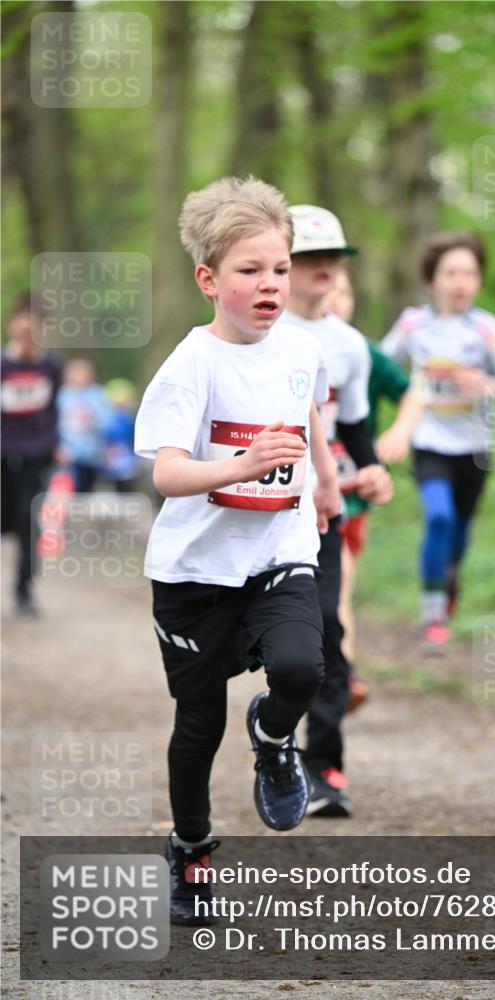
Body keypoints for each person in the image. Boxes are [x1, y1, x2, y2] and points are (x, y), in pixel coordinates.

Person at [134, 177, 340, 925]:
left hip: (279, 549)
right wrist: (240, 466)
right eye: (250, 271)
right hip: (193, 572)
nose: (269, 285)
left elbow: (310, 414)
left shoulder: (303, 347)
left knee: (299, 669)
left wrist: (326, 481)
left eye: (279, 269)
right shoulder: (191, 365)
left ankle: (275, 733)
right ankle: (190, 851)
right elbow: (166, 472)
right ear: (209, 279)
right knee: (197, 725)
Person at [278, 205, 393, 818]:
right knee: (256, 639)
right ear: (283, 265)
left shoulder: (351, 347)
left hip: (321, 512)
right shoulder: (257, 333)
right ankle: (273, 735)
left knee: (326, 626)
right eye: (309, 258)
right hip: (253, 510)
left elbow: (355, 428)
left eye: (333, 258)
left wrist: (374, 471)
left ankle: (322, 765)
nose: (324, 269)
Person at [379, 231, 495, 650]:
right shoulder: (414, 324)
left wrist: (488, 384)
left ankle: (447, 578)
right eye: (451, 273)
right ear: (433, 280)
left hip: (476, 447)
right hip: (429, 442)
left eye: (469, 273)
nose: (461, 282)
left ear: (479, 280)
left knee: (460, 530)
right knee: (440, 517)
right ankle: (433, 617)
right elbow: (375, 364)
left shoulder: (486, 328)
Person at [321, 269, 410, 702]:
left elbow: (415, 391)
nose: (337, 299)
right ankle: (334, 679)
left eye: (346, 291)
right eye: (329, 290)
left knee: (339, 589)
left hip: (352, 495)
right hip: (296, 495)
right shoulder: (283, 348)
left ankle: (343, 678)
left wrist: (399, 433)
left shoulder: (362, 352)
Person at [1, 292, 62, 616]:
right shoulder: (2, 364)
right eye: (22, 330)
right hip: (2, 455)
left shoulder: (51, 365)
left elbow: (55, 408)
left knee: (27, 525)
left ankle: (23, 592)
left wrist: (55, 444)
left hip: (36, 456)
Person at [57, 358, 111, 493]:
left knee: (87, 491)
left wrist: (92, 419)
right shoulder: (62, 395)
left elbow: (107, 421)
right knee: (70, 488)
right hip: (69, 454)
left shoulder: (98, 394)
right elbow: (55, 424)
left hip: (93, 454)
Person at [103, 378, 138, 492]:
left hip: (127, 457)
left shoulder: (130, 419)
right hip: (112, 458)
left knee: (126, 485)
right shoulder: (107, 419)